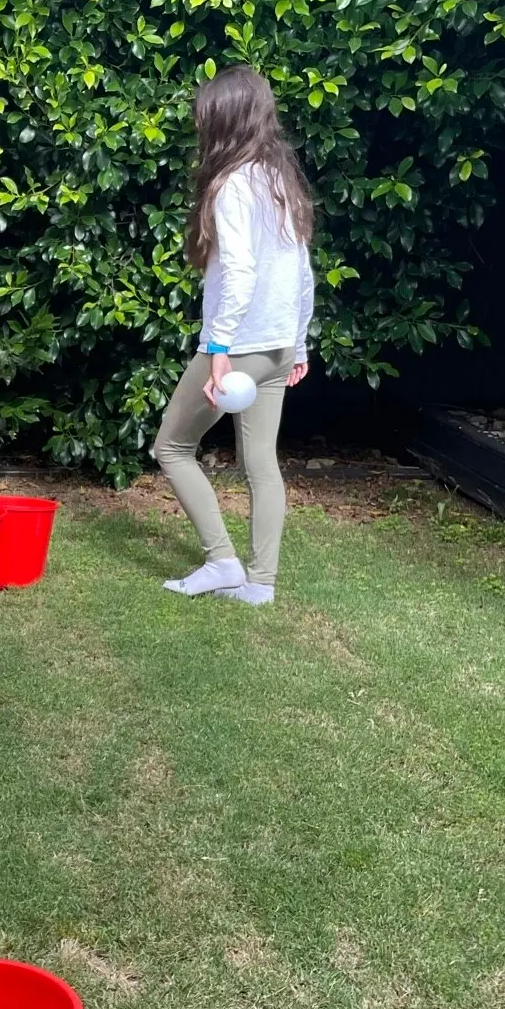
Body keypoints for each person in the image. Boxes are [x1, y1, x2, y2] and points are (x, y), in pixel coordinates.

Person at [152, 65, 316, 605]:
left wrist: (218, 349)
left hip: (240, 346)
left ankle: (222, 561)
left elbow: (241, 272)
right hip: (276, 347)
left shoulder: (232, 184)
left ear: (220, 120)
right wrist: (299, 342)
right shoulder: (279, 180)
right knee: (260, 463)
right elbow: (302, 269)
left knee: (172, 446)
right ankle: (260, 584)